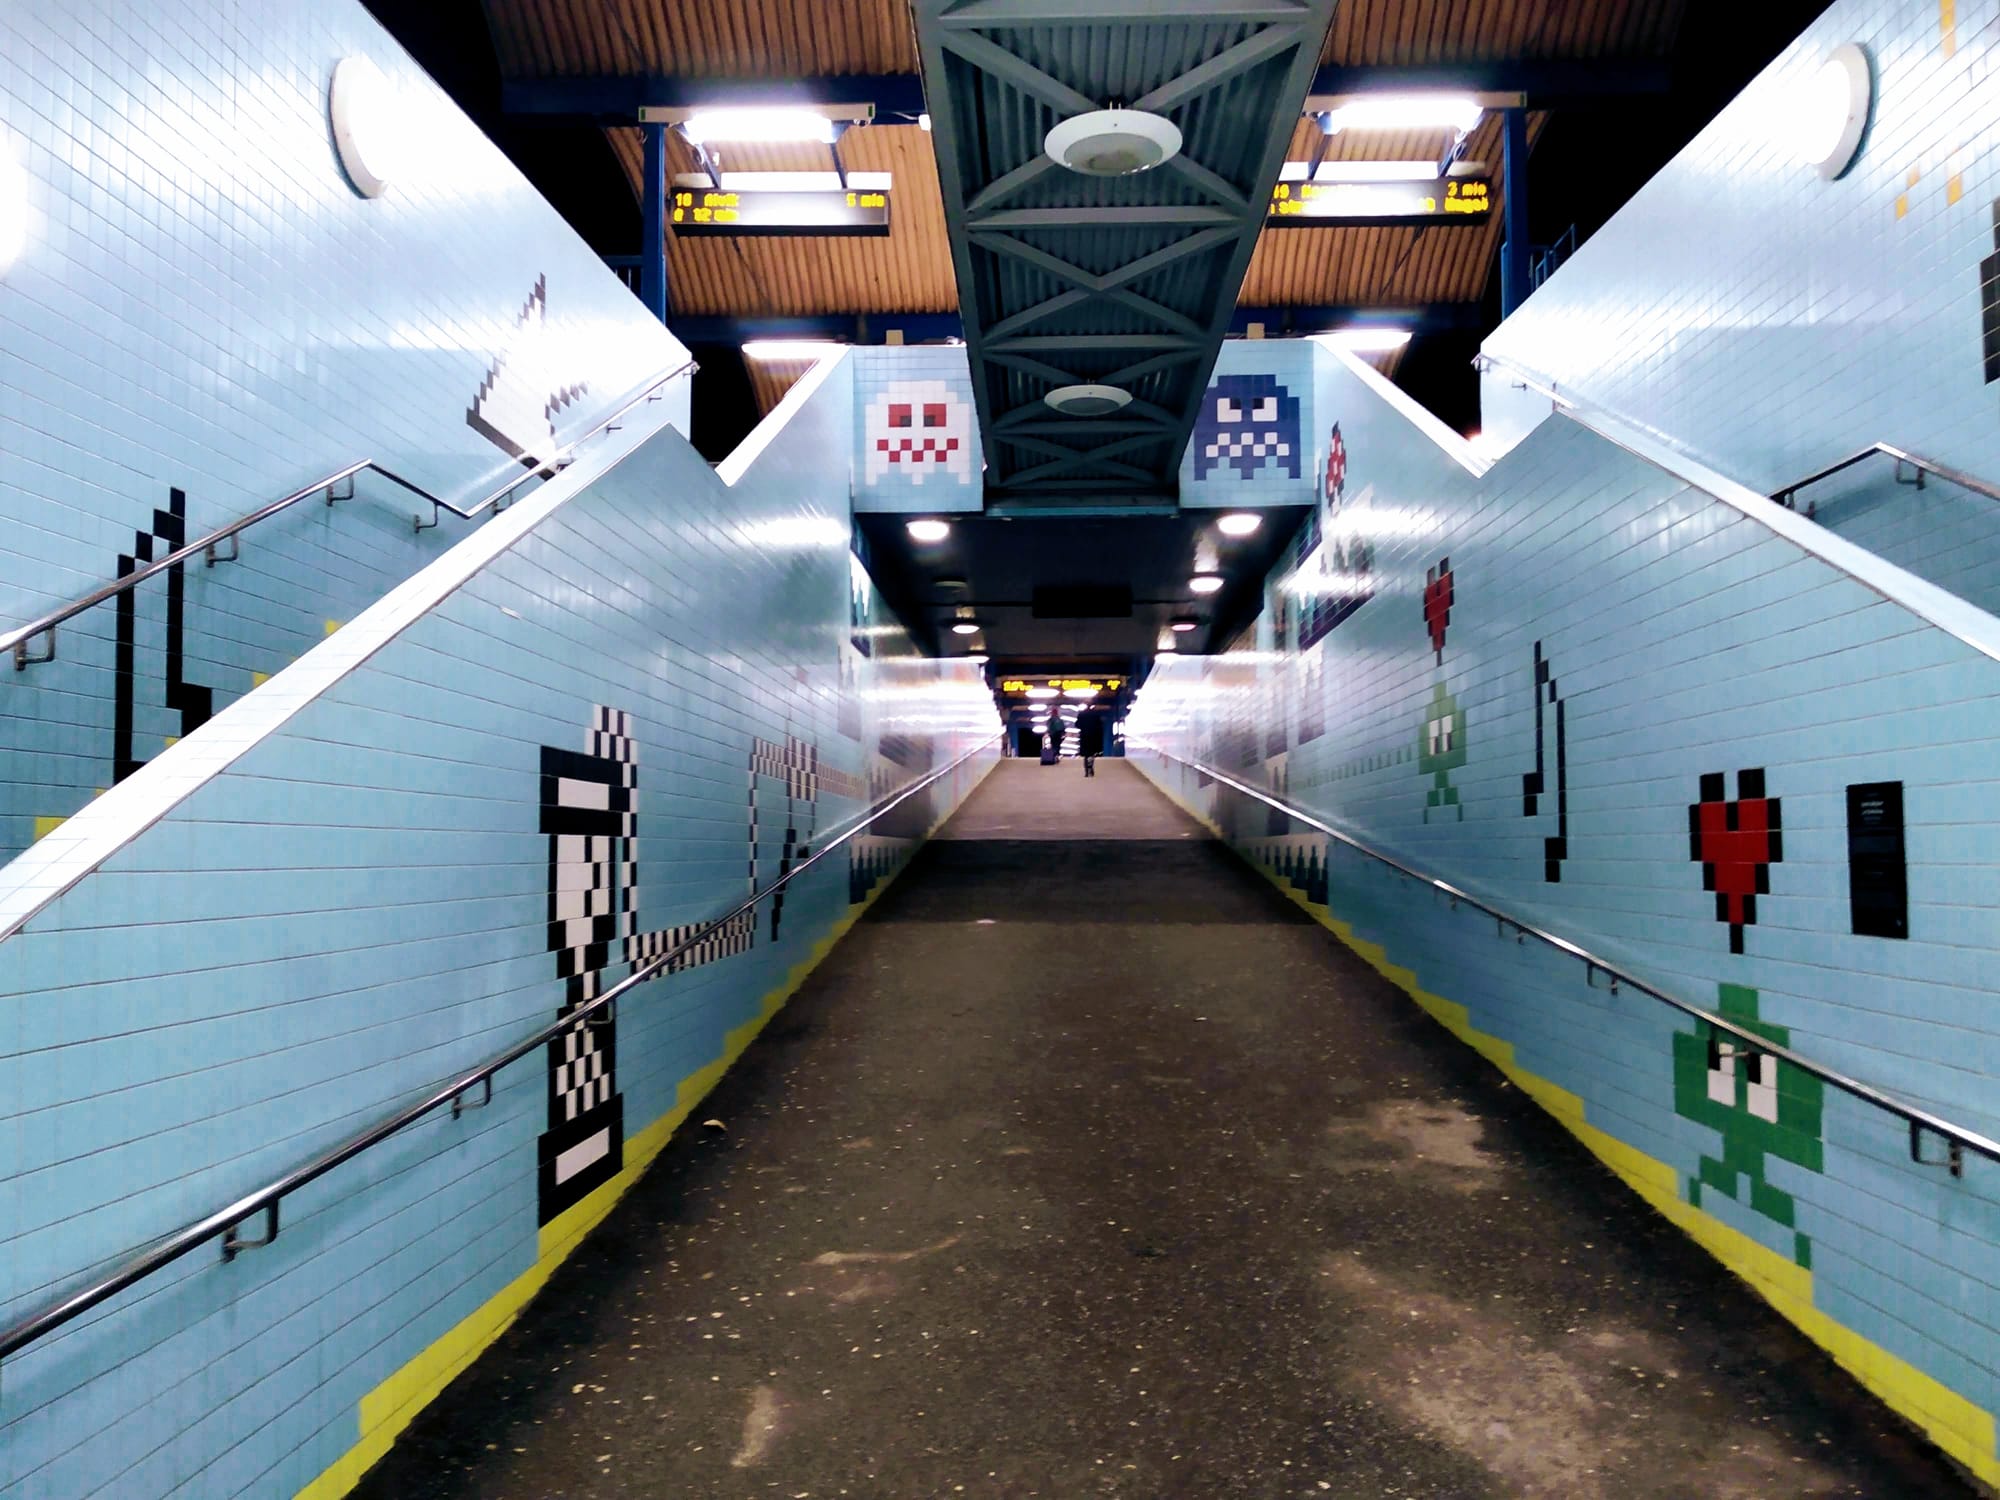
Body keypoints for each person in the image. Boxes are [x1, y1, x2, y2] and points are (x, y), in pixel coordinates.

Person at [1077, 708, 1105, 777]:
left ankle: (1086, 770)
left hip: (1084, 736)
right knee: (1091, 753)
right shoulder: (1095, 714)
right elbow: (1100, 726)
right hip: (1093, 737)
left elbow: (1077, 724)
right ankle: (1091, 767)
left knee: (1086, 754)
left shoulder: (1081, 714)